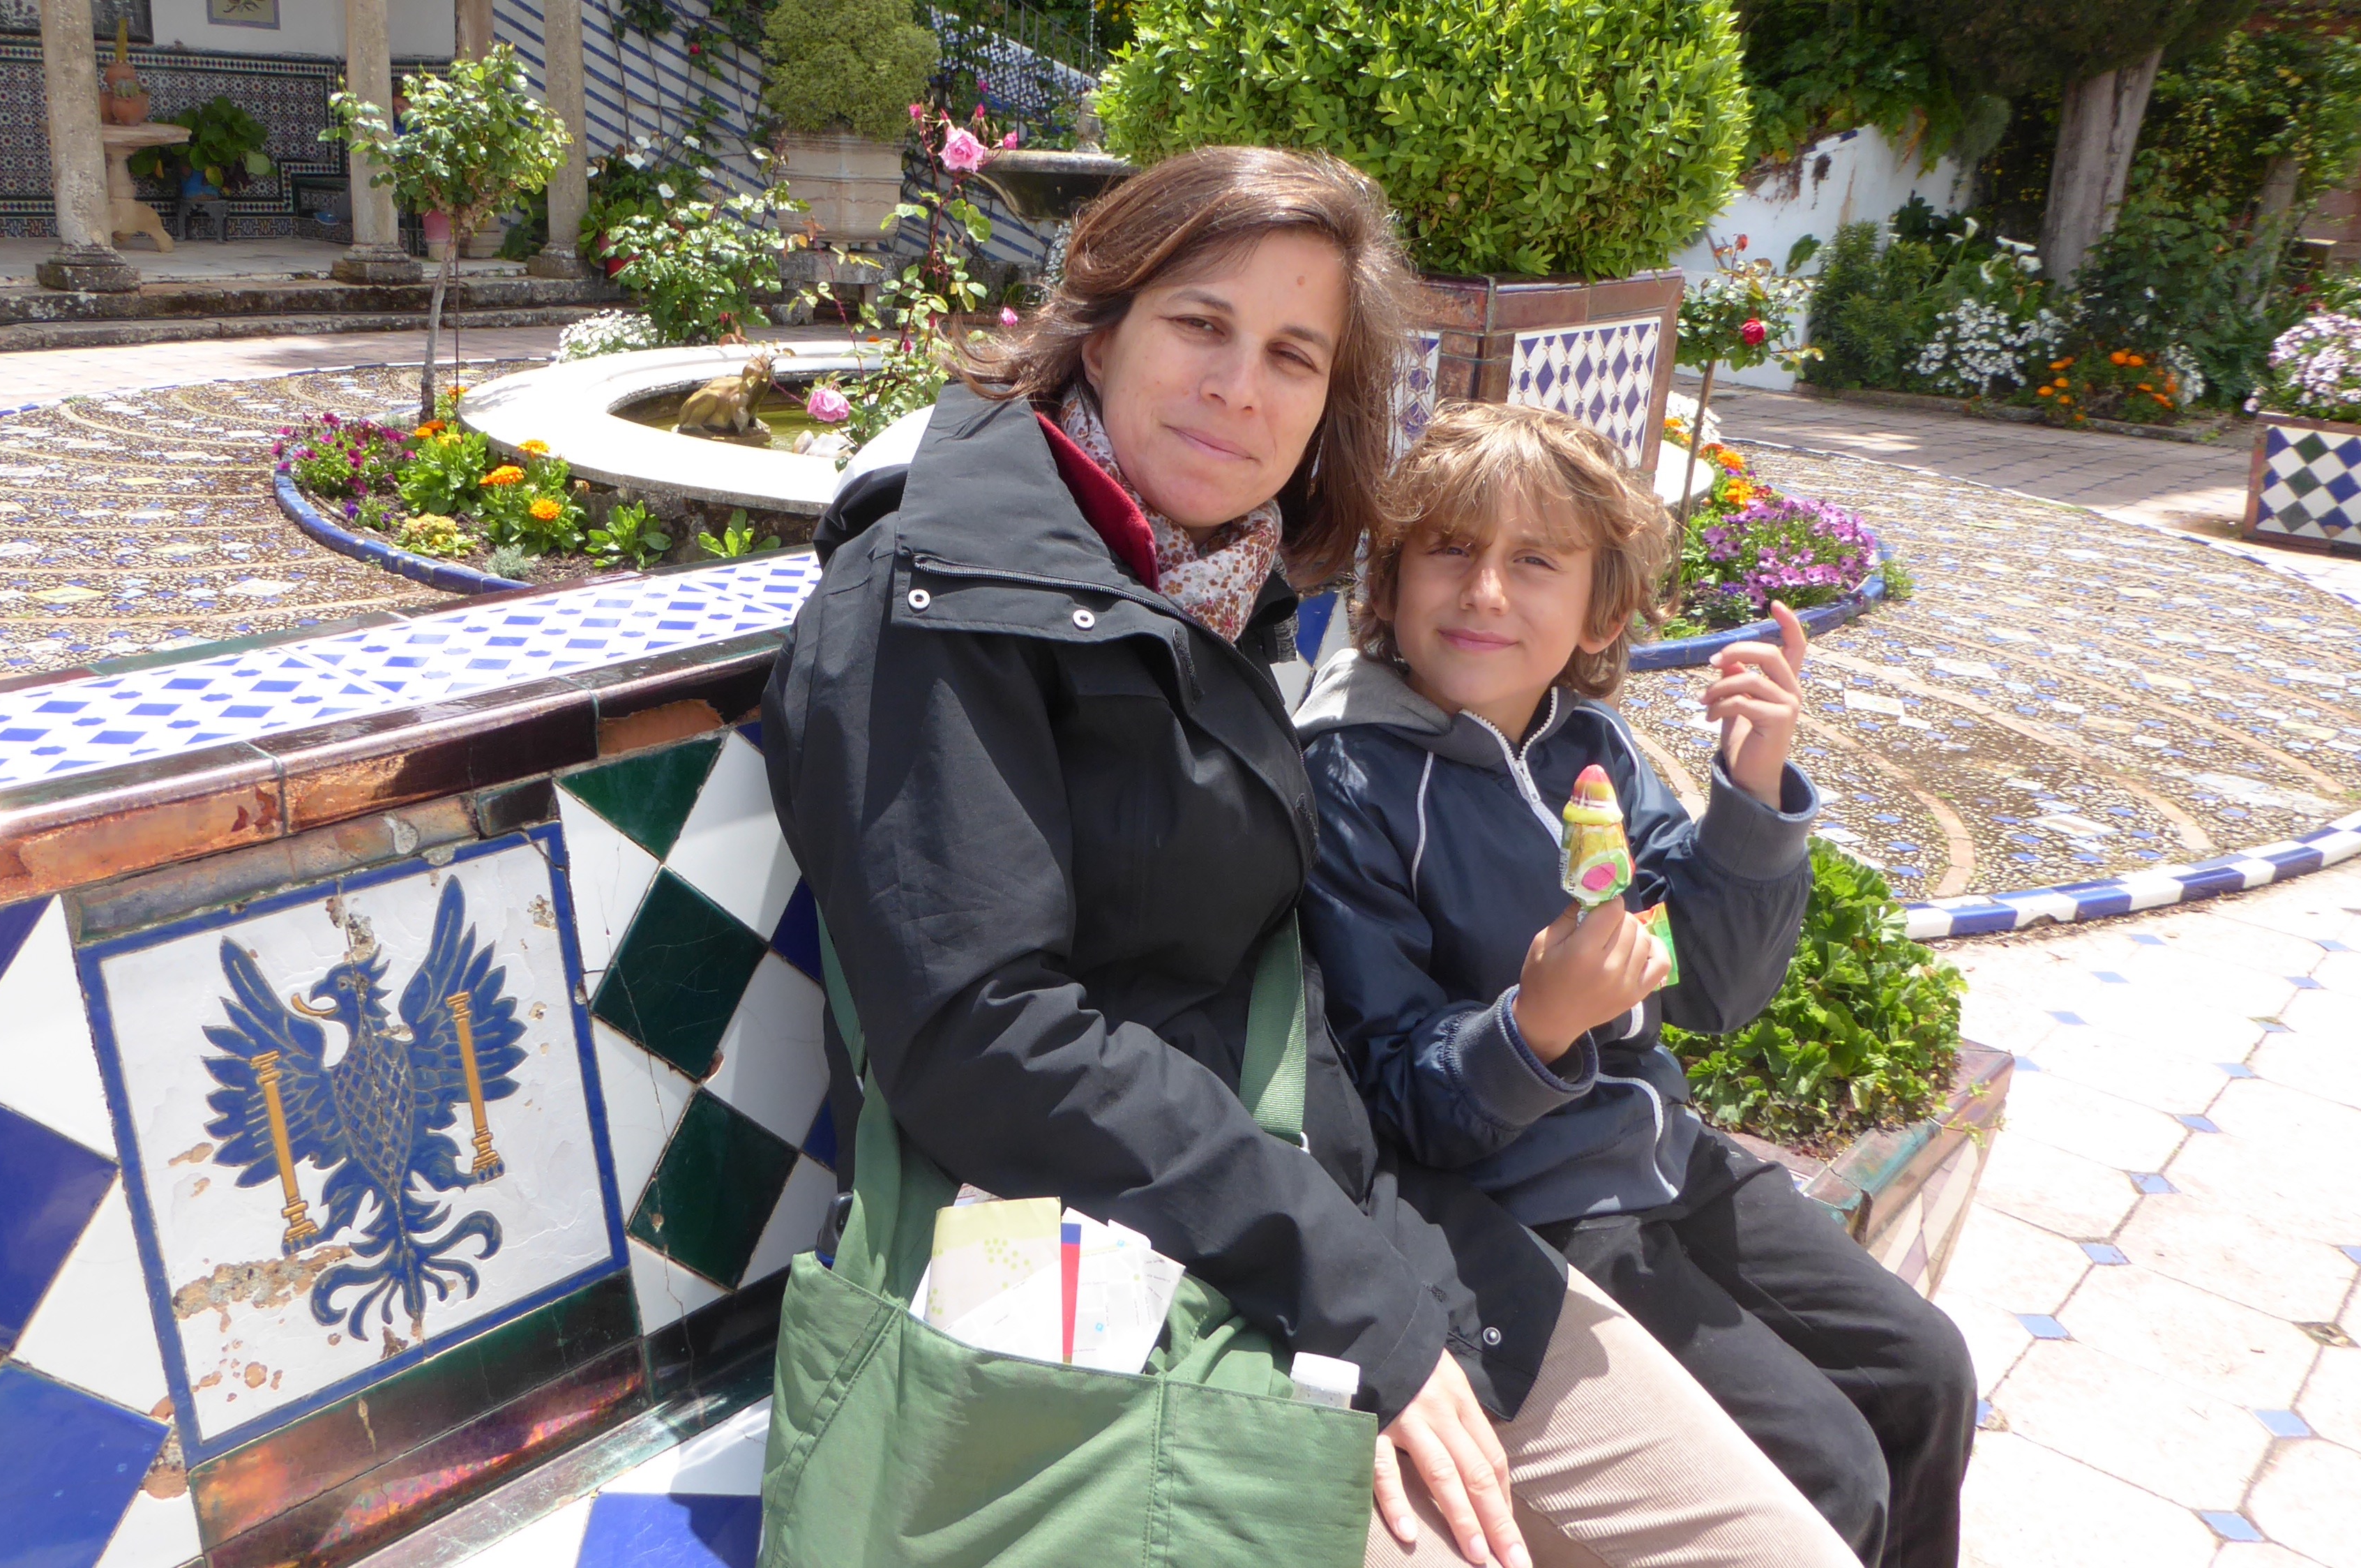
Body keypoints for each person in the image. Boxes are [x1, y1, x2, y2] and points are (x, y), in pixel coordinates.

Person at [763, 144, 1863, 1567]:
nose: (1241, 388)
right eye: (1200, 324)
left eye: (1293, 354)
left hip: (1351, 1219)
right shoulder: (936, 595)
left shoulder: (1212, 585)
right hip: (1102, 1251)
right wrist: (1356, 1289)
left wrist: (1385, 1253)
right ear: (1097, 332)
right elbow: (984, 1036)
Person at [1293, 400, 1976, 1567]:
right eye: (1449, 549)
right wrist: (1535, 1028)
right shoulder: (1353, 781)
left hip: (1666, 1156)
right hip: (1536, 1206)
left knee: (1926, 1371)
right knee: (1827, 1469)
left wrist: (1753, 796)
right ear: (1391, 582)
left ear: (1601, 609)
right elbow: (1393, 1100)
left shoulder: (1588, 747)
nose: (1484, 592)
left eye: (1535, 561)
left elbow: (1716, 990)